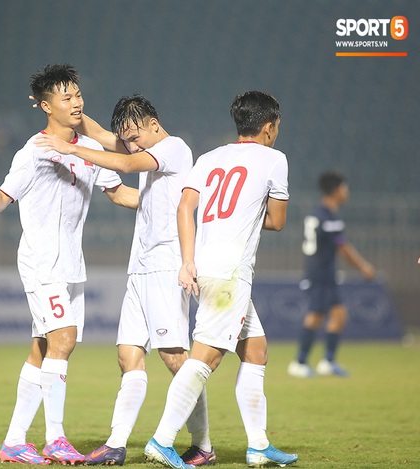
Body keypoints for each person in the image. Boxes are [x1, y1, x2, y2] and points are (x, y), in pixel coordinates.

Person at [0, 64, 138, 465]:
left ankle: (13, 441)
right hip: (42, 261)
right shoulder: (34, 151)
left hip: (71, 264)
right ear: (46, 106)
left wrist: (165, 205)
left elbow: (118, 194)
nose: (77, 101)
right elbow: (4, 196)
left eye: (78, 94)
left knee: (43, 348)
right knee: (64, 339)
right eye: (67, 97)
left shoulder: (87, 151)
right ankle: (55, 437)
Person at [35, 94, 215, 466]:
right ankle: (116, 444)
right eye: (127, 137)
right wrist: (67, 108)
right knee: (128, 354)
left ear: (153, 123)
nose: (131, 142)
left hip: (166, 266)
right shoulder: (145, 148)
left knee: (175, 359)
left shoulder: (174, 148)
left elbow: (127, 161)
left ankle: (203, 444)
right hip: (140, 266)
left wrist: (70, 151)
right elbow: (101, 134)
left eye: (135, 134)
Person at [143, 91, 298, 469]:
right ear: (268, 126)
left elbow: (185, 207)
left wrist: (188, 260)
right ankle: (161, 441)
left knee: (256, 350)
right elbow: (277, 221)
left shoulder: (209, 158)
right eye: (276, 126)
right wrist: (246, 217)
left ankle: (259, 446)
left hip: (206, 266)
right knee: (204, 360)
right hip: (230, 276)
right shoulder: (274, 159)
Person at [288, 171, 376, 378]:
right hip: (321, 274)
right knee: (316, 315)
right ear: (336, 191)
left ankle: (328, 361)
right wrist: (364, 267)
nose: (347, 193)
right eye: (345, 188)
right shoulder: (329, 217)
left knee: (338, 315)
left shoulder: (317, 213)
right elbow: (342, 247)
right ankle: (299, 362)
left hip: (322, 272)